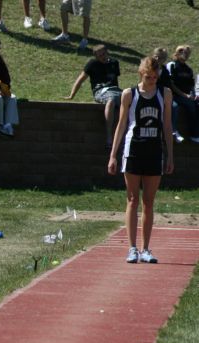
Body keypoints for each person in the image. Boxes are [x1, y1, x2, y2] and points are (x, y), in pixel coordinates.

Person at [108, 56, 173, 265]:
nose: (152, 81)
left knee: (149, 202)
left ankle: (146, 248)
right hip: (133, 149)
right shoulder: (129, 94)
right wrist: (113, 155)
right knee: (132, 199)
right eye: (148, 77)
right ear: (140, 74)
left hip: (154, 151)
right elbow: (121, 125)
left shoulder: (165, 94)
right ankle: (132, 248)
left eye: (155, 77)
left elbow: (167, 125)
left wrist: (170, 154)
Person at [65, 44, 121, 148]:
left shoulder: (114, 62)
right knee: (111, 101)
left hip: (116, 91)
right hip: (100, 91)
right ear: (96, 56)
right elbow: (80, 79)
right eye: (100, 56)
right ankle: (109, 137)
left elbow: (115, 82)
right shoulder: (92, 64)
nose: (103, 57)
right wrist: (72, 95)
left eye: (104, 54)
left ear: (107, 52)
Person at [166, 45, 199, 144]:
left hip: (185, 96)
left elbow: (191, 85)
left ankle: (194, 134)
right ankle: (174, 131)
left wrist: (193, 94)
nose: (185, 55)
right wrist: (184, 95)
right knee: (174, 107)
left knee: (194, 106)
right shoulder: (171, 65)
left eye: (187, 53)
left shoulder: (188, 69)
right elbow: (171, 84)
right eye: (183, 52)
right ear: (177, 52)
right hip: (173, 95)